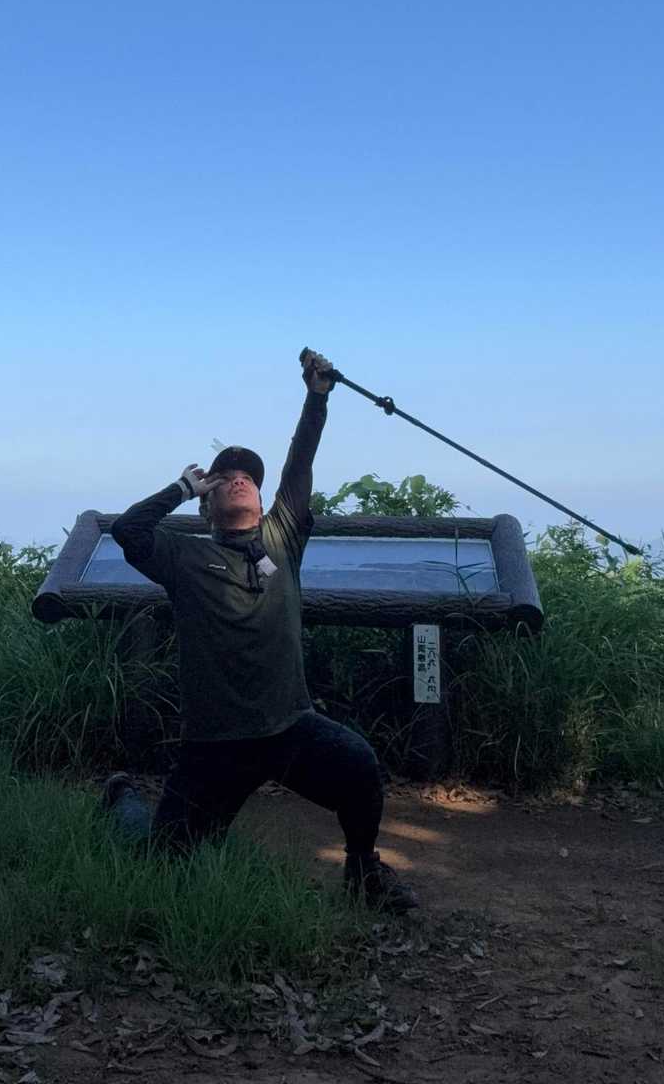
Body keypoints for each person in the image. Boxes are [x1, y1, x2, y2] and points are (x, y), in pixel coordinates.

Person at [103, 349, 418, 913]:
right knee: (159, 864)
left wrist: (316, 396)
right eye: (225, 479)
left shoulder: (282, 538)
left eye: (248, 477)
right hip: (214, 745)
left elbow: (300, 463)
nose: (240, 480)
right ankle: (120, 797)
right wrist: (181, 487)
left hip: (288, 728)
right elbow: (129, 530)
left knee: (359, 766)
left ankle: (363, 873)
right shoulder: (182, 556)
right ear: (206, 507)